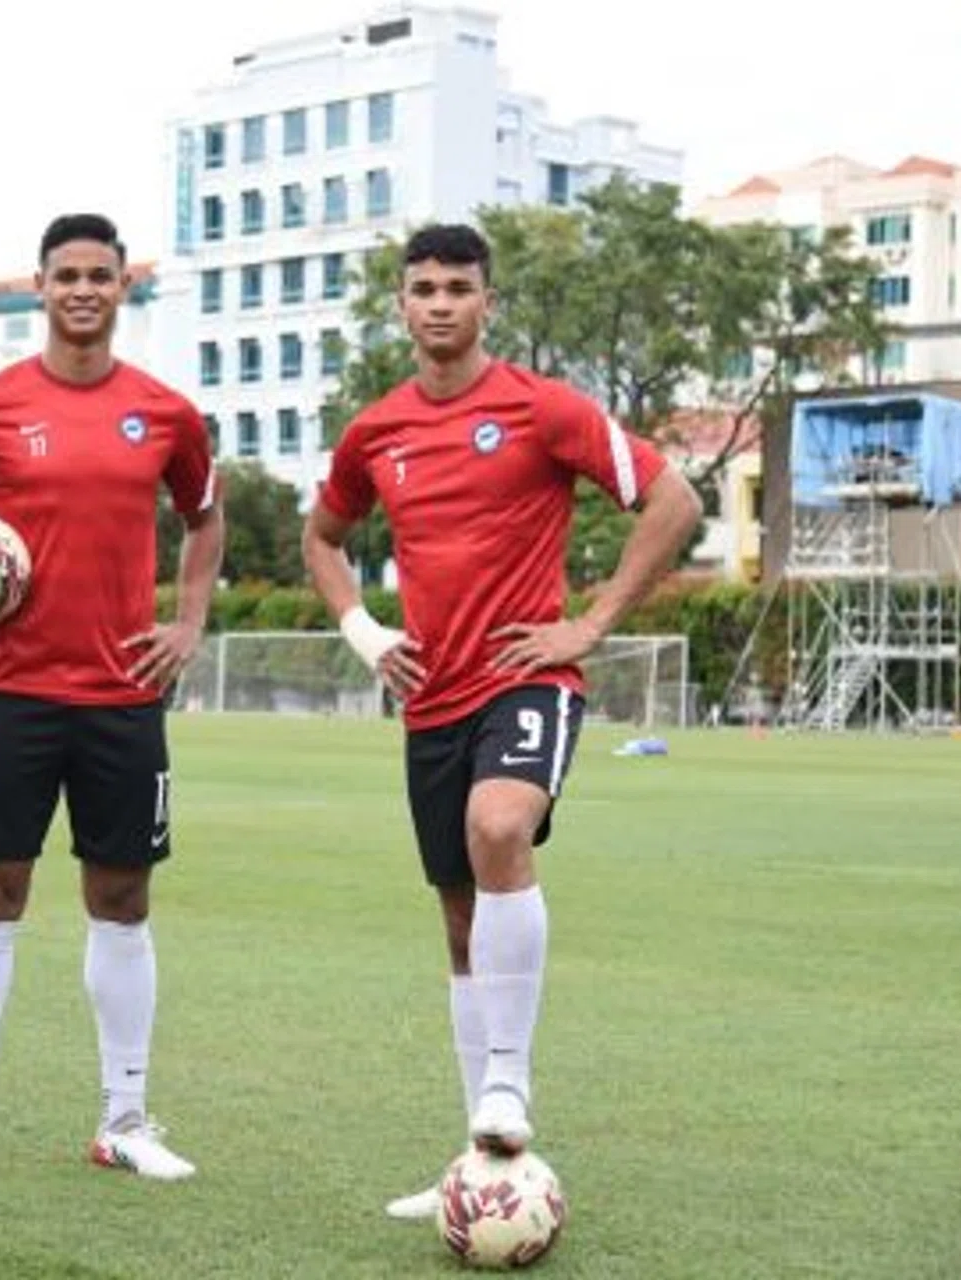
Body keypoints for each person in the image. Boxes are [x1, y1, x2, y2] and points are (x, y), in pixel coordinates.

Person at [300, 223, 702, 1219]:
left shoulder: (541, 407)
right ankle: (481, 1160)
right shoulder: (376, 432)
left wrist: (591, 622)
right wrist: (363, 631)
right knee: (459, 922)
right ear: (402, 304)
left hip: (528, 679)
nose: (440, 303)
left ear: (487, 301)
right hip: (430, 699)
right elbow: (323, 536)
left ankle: (510, 1085)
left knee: (499, 826)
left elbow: (674, 499)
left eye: (458, 287)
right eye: (424, 288)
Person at [0, 213, 225, 1192]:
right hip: (14, 694)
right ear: (40, 286)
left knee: (122, 899)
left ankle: (124, 1119)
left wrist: (188, 622)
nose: (83, 289)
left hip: (124, 695)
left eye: (99, 275)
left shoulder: (166, 413)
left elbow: (206, 518)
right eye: (66, 274)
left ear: (123, 286)